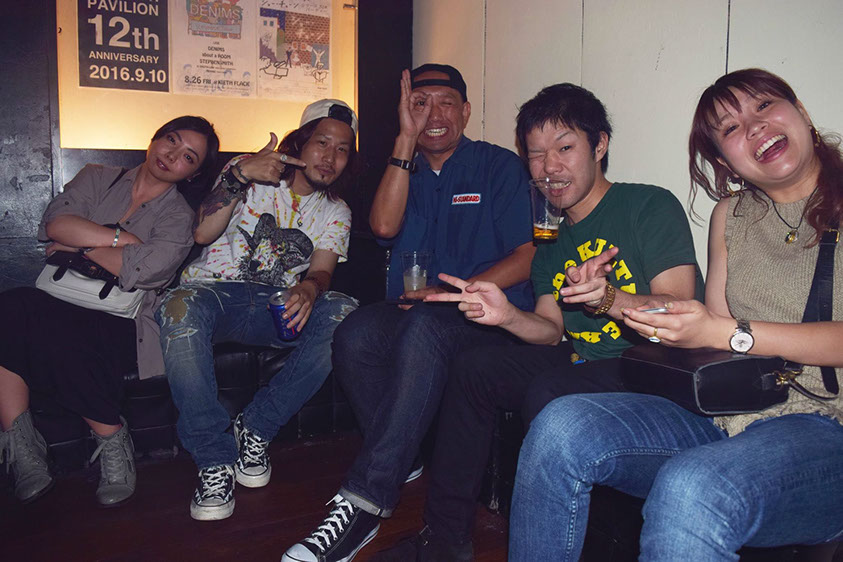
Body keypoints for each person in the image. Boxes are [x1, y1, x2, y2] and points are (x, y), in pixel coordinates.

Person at [509, 68, 843, 561]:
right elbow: (706, 335)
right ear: (723, 159)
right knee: (560, 426)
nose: (753, 127)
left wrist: (733, 333)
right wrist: (609, 300)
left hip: (825, 426)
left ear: (802, 113)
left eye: (764, 106)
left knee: (691, 487)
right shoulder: (732, 216)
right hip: (727, 412)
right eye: (730, 128)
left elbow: (725, 331)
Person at [372, 83, 704, 561]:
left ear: (600, 145)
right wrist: (507, 315)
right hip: (584, 359)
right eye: (535, 154)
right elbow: (550, 330)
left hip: (651, 366)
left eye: (565, 148)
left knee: (550, 390)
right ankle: (444, 539)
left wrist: (610, 298)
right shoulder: (550, 239)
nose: (550, 167)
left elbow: (678, 307)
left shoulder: (648, 205)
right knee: (474, 370)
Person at [281, 64, 536, 562]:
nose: (433, 115)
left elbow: (528, 254)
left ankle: (365, 502)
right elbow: (382, 227)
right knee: (354, 333)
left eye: (446, 103)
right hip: (417, 313)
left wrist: (456, 293)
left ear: (466, 111)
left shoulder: (498, 166)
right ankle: (405, 453)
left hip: (486, 315)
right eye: (420, 104)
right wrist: (404, 139)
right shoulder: (405, 168)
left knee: (423, 325)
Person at [0, 116, 219, 506]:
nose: (173, 155)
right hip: (57, 300)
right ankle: (23, 447)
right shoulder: (98, 176)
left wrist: (80, 244)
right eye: (172, 140)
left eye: (189, 156)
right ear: (155, 138)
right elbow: (56, 224)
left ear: (193, 173)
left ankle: (112, 437)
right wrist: (123, 239)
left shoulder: (180, 217)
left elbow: (147, 270)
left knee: (58, 332)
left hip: (119, 320)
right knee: (10, 309)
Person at [157, 99, 359, 521]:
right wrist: (239, 176)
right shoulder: (248, 172)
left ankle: (257, 427)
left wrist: (309, 287)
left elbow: (322, 271)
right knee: (177, 305)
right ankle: (214, 461)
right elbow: (202, 232)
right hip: (215, 293)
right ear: (300, 142)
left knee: (344, 311)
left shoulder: (337, 210)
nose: (330, 156)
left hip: (276, 307)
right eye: (322, 142)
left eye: (342, 149)